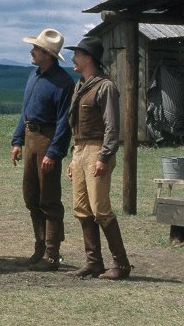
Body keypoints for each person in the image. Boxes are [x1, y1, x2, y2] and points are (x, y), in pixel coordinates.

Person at [65, 36, 132, 280]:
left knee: (100, 208)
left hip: (96, 149)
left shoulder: (105, 87)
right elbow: (75, 125)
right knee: (81, 208)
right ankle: (94, 262)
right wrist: (74, 157)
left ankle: (121, 265)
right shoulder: (80, 85)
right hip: (81, 149)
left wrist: (104, 156)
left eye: (77, 55)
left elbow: (112, 127)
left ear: (88, 58)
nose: (73, 58)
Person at [11, 29, 74, 271]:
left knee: (49, 197)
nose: (31, 51)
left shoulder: (63, 83)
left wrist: (54, 152)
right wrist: (17, 140)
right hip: (30, 137)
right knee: (31, 195)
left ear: (47, 54)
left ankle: (51, 254)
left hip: (47, 140)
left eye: (35, 49)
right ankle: (39, 248)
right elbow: (25, 110)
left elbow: (63, 122)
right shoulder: (34, 76)